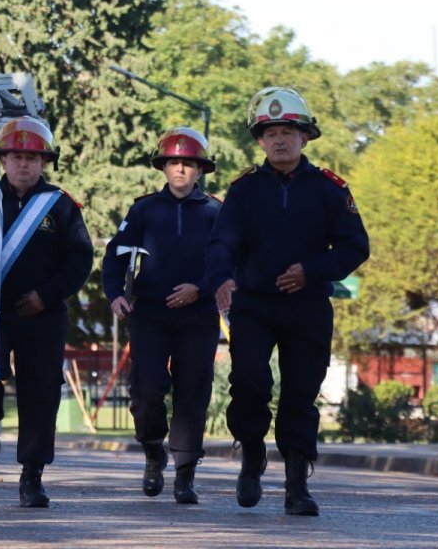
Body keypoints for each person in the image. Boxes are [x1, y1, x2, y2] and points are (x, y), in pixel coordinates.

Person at [205, 87, 369, 516]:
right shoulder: (243, 190)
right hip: (254, 306)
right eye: (270, 132)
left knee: (299, 395)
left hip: (308, 306)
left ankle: (297, 485)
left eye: (288, 132)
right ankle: (252, 455)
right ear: (259, 140)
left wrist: (312, 270)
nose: (279, 140)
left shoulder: (331, 189)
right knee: (250, 382)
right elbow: (222, 242)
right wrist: (221, 278)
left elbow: (355, 248)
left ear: (305, 137)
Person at [0, 116, 93, 508]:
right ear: (2, 159)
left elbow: (80, 259)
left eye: (33, 158)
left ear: (44, 162)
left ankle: (32, 475)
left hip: (43, 312)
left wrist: (48, 295)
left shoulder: (62, 207)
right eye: (17, 156)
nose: (24, 164)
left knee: (40, 394)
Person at [102, 127, 221, 504]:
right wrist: (116, 294)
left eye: (188, 164)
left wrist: (199, 289)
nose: (181, 170)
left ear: (200, 169)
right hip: (150, 314)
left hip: (199, 316)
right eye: (174, 163)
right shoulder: (144, 209)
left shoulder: (217, 212)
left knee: (192, 394)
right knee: (147, 391)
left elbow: (229, 263)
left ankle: (185, 473)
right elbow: (114, 257)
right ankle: (153, 451)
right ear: (164, 167)